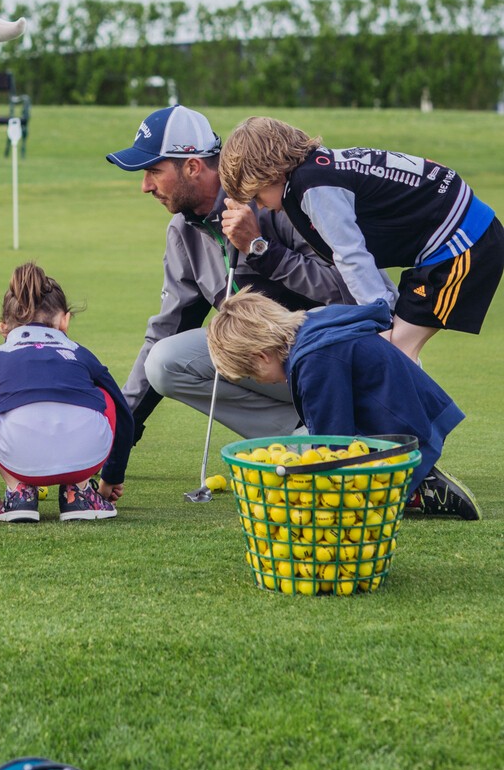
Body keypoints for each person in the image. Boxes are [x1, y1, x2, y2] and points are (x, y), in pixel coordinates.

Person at [104, 105, 354, 444]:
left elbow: (350, 291)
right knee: (164, 361)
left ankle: (340, 426)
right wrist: (119, 431)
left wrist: (262, 250)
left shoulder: (274, 196)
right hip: (271, 368)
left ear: (192, 166)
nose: (145, 186)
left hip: (330, 358)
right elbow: (168, 329)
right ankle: (307, 435)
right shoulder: (184, 231)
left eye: (153, 171)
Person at [219, 117, 504, 363]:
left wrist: (377, 315)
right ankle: (407, 424)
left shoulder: (313, 187)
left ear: (271, 171)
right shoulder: (318, 167)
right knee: (393, 346)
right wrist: (385, 306)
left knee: (395, 349)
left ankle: (413, 426)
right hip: (450, 240)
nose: (260, 206)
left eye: (257, 195)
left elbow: (351, 254)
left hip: (464, 242)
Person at [206, 288, 480, 518]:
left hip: (408, 433)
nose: (260, 381)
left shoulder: (314, 362)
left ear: (262, 356)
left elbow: (333, 445)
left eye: (253, 373)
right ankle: (410, 475)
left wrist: (314, 497)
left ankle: (420, 484)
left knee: (348, 502)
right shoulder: (312, 327)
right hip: (419, 413)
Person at [0, 262, 134, 523]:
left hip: (19, 459)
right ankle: (80, 492)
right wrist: (111, 478)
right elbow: (124, 415)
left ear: (3, 327)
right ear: (65, 320)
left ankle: (17, 492)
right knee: (105, 397)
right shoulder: (79, 352)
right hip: (86, 459)